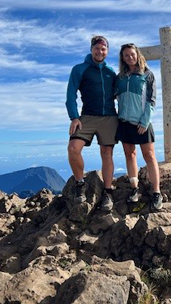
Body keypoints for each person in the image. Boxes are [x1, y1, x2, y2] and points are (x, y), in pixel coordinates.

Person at [66, 35, 118, 212]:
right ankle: (80, 184)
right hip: (86, 116)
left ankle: (108, 192)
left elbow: (121, 94)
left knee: (107, 153)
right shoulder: (80, 69)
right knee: (73, 148)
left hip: (109, 117)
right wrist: (74, 117)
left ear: (107, 51)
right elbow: (70, 95)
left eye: (103, 49)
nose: (100, 51)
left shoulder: (111, 72)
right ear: (91, 49)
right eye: (97, 48)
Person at [116, 43, 162, 210]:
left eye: (132, 54)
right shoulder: (120, 77)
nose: (130, 57)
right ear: (123, 58)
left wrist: (144, 121)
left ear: (138, 54)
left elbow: (151, 100)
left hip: (142, 123)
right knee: (130, 154)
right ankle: (135, 188)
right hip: (124, 123)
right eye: (126, 55)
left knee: (149, 156)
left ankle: (157, 192)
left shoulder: (147, 74)